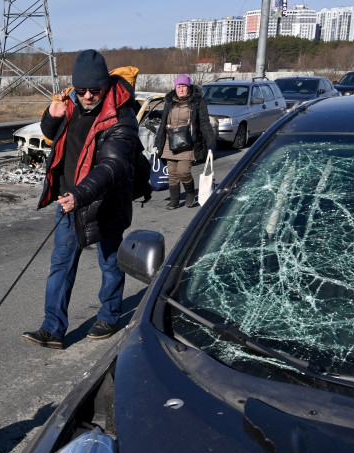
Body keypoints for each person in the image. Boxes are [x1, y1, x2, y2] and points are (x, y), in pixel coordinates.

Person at [21, 49, 139, 350]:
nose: (87, 96)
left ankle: (110, 315)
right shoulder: (71, 102)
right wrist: (52, 114)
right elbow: (52, 134)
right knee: (60, 265)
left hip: (105, 199)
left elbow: (111, 166)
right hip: (68, 200)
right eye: (82, 89)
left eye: (94, 90)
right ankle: (53, 329)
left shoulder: (122, 115)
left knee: (110, 262)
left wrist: (80, 193)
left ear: (106, 85)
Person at [153, 74, 217, 209]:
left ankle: (190, 193)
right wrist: (157, 143)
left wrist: (211, 142)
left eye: (183, 86)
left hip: (188, 142)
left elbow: (204, 123)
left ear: (188, 87)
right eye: (178, 86)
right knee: (172, 173)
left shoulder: (197, 101)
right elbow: (163, 123)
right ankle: (174, 201)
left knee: (183, 171)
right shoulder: (169, 102)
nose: (181, 89)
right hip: (170, 142)